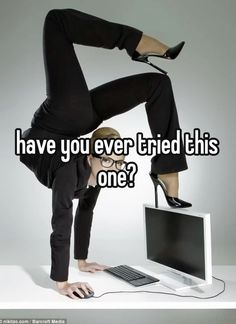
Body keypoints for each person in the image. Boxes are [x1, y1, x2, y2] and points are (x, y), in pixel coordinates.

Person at [19, 8, 191, 299]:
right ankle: (136, 42)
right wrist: (62, 282)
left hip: (68, 126)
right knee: (56, 20)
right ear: (90, 156)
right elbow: (61, 221)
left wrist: (82, 261)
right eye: (109, 160)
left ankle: (167, 167)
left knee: (158, 84)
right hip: (62, 125)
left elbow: (84, 211)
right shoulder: (70, 171)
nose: (113, 168)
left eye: (118, 162)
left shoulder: (92, 172)